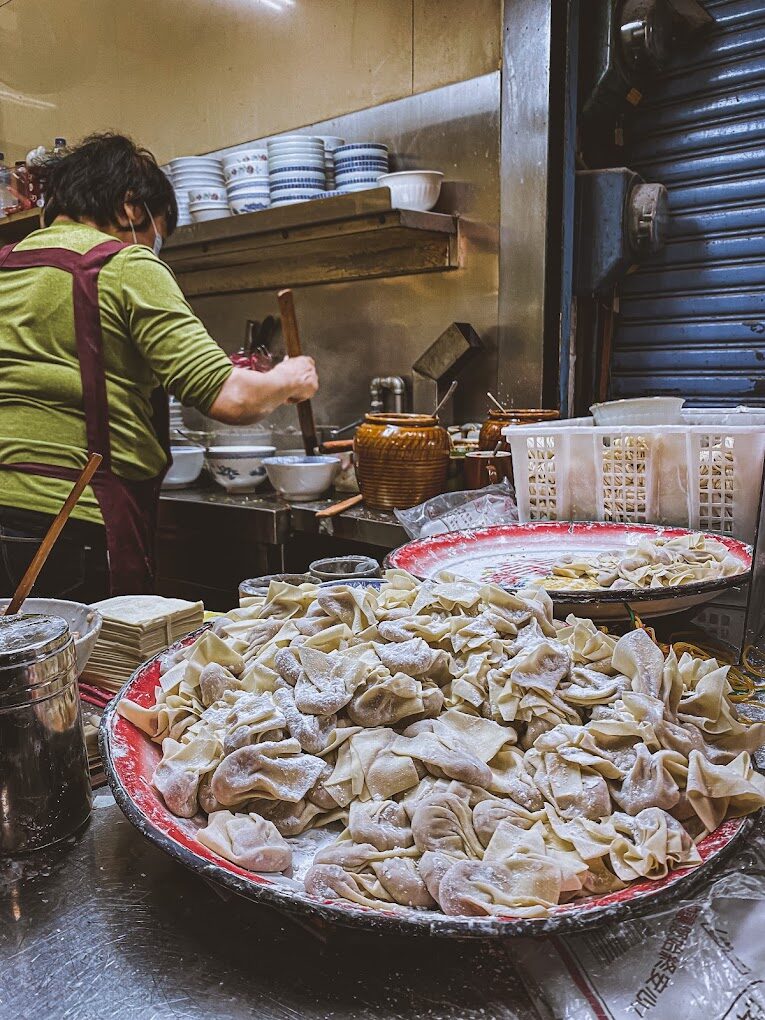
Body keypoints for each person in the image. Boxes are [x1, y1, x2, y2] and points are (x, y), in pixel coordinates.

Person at [0, 133, 318, 602]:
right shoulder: (123, 265)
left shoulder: (6, 267)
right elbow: (231, 398)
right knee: (91, 654)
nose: (153, 247)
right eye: (157, 234)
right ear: (131, 207)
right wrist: (289, 377)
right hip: (71, 525)